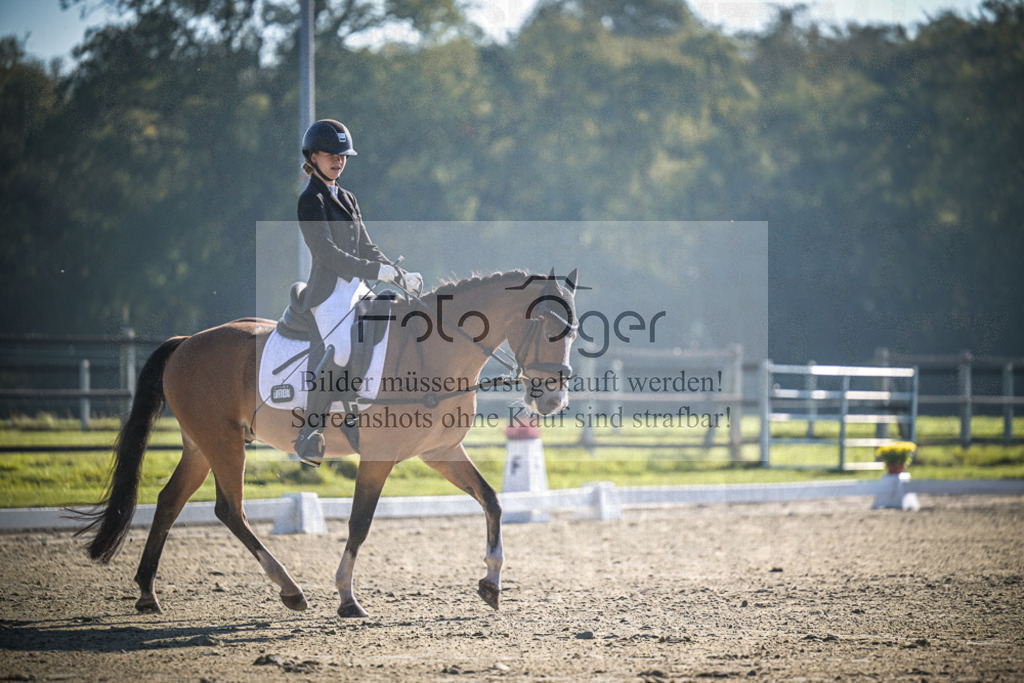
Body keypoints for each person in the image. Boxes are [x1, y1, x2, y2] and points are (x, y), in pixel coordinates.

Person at [293, 119, 422, 466]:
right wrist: (373, 270)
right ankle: (310, 432)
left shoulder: (347, 197)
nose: (338, 161)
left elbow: (366, 245)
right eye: (331, 155)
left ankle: (363, 408)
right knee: (340, 350)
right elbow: (328, 255)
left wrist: (397, 274)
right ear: (314, 157)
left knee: (392, 328)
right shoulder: (311, 200)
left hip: (357, 289)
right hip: (328, 293)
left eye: (343, 155)